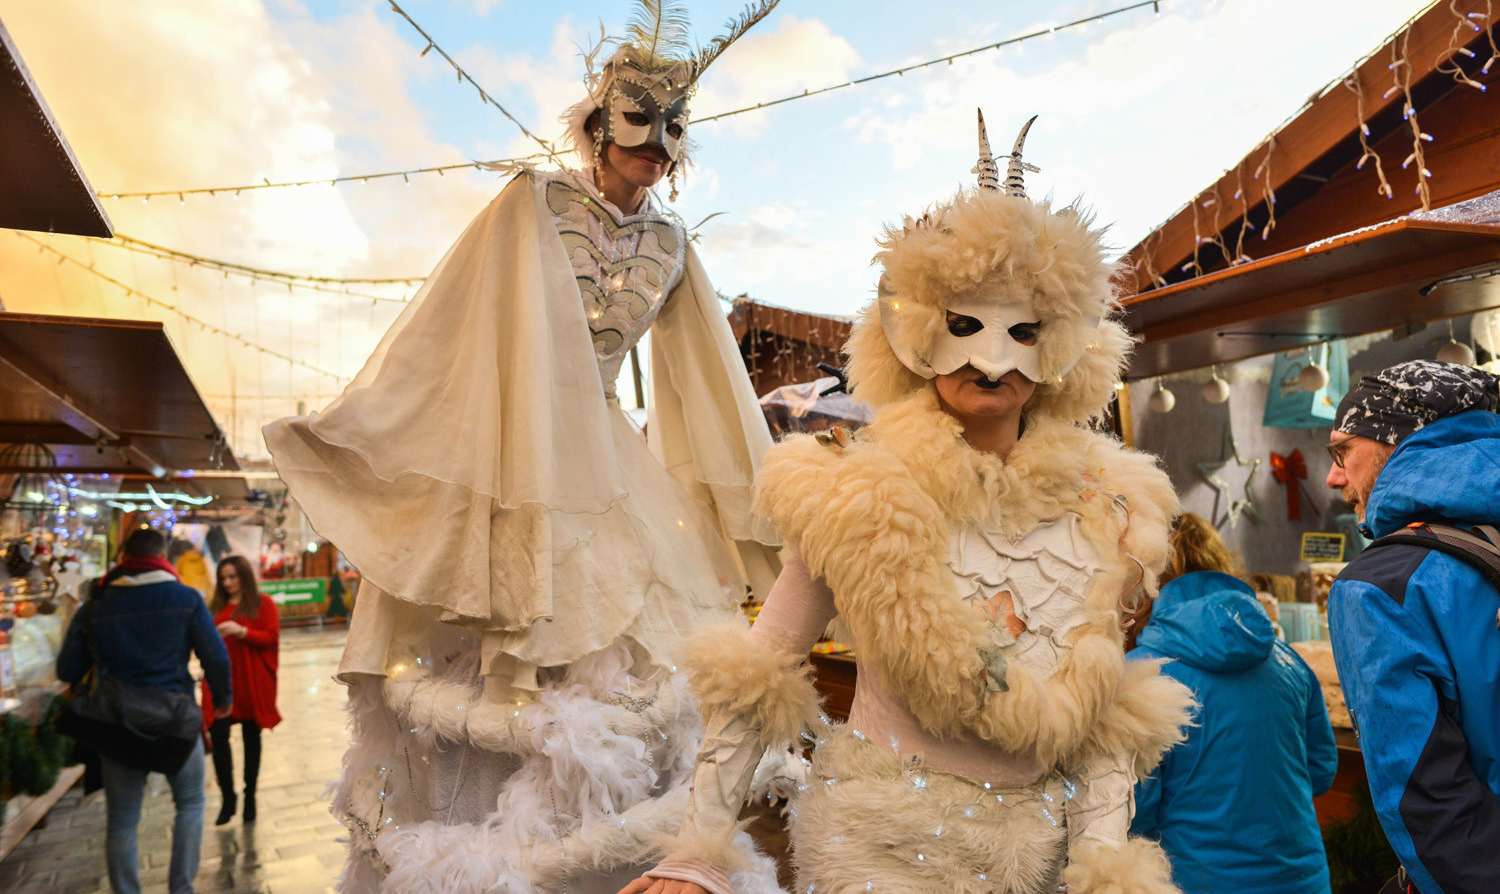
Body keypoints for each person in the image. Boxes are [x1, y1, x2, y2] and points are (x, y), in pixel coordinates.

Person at [262, 0, 791, 894]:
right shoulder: (534, 203)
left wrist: (761, 500)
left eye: (674, 124)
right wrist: (369, 431)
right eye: (638, 117)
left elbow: (706, 380)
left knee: (631, 669)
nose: (656, 140)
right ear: (598, 122)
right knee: (502, 650)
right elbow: (454, 329)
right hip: (515, 454)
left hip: (615, 469)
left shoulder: (675, 246)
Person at [623, 112, 1195, 894]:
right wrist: (697, 853)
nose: (991, 359)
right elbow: (758, 677)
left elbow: (1102, 719)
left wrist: (1105, 868)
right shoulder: (855, 496)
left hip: (1037, 859)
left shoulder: (1109, 507)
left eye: (1024, 331)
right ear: (918, 332)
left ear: (1063, 344)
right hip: (880, 850)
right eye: (964, 324)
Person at [1323, 359, 1500, 894]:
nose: (1334, 477)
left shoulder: (1379, 587)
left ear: (1395, 441)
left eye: (1342, 451)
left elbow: (1427, 801)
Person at [1127, 512, 1338, 893]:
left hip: (1197, 882)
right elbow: (1320, 772)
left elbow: (1130, 814)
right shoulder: (1289, 659)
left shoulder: (1140, 674)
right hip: (1302, 881)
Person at [56, 527, 231, 894]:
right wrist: (223, 699)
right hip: (176, 722)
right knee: (190, 804)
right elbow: (216, 657)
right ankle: (181, 888)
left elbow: (66, 669)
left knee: (122, 821)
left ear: (124, 559)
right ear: (163, 558)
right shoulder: (186, 598)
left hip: (117, 726)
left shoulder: (95, 606)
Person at [204, 553, 281, 825]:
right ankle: (228, 797)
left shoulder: (262, 604)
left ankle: (250, 796)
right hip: (221, 682)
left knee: (251, 737)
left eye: (232, 577)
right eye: (223, 578)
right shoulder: (214, 606)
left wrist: (241, 632)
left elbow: (271, 638)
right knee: (218, 736)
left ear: (244, 577)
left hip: (250, 680)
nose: (227, 582)